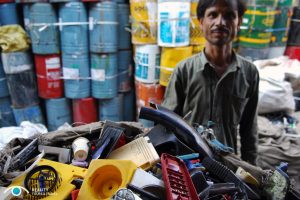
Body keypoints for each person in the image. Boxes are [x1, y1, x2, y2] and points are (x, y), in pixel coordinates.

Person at [162, 0, 259, 165]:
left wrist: (254, 173)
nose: (220, 22)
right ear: (201, 22)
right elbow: (166, 125)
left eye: (229, 16)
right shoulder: (184, 71)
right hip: (189, 164)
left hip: (228, 166)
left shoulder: (249, 73)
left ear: (239, 22)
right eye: (213, 15)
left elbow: (249, 131)